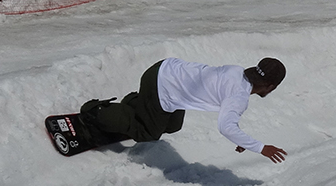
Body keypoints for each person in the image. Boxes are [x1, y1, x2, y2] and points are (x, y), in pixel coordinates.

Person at [82, 57, 288, 162]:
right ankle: (96, 113)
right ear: (270, 86)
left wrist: (241, 139)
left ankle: (136, 103)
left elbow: (229, 114)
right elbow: (226, 127)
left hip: (165, 70)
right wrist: (261, 148)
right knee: (147, 134)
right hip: (162, 85)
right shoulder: (239, 96)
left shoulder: (237, 72)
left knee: (173, 125)